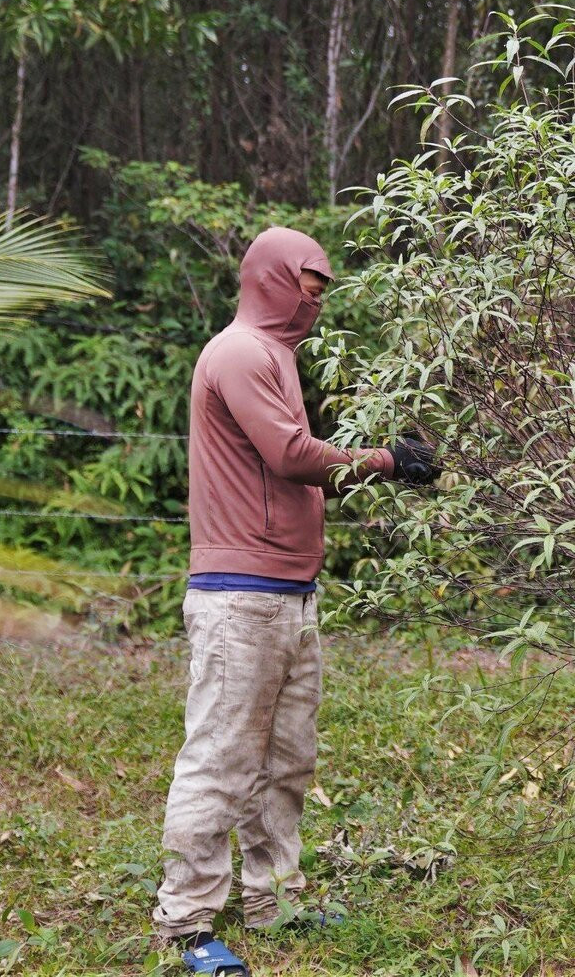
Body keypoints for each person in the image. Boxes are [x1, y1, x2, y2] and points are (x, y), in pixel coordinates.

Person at [152, 226, 439, 975]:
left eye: (320, 299)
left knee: (285, 760)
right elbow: (287, 455)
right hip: (240, 597)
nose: (314, 309)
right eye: (307, 293)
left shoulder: (276, 354)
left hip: (288, 593)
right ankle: (186, 926)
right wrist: (384, 460)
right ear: (272, 281)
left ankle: (274, 896)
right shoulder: (242, 352)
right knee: (220, 759)